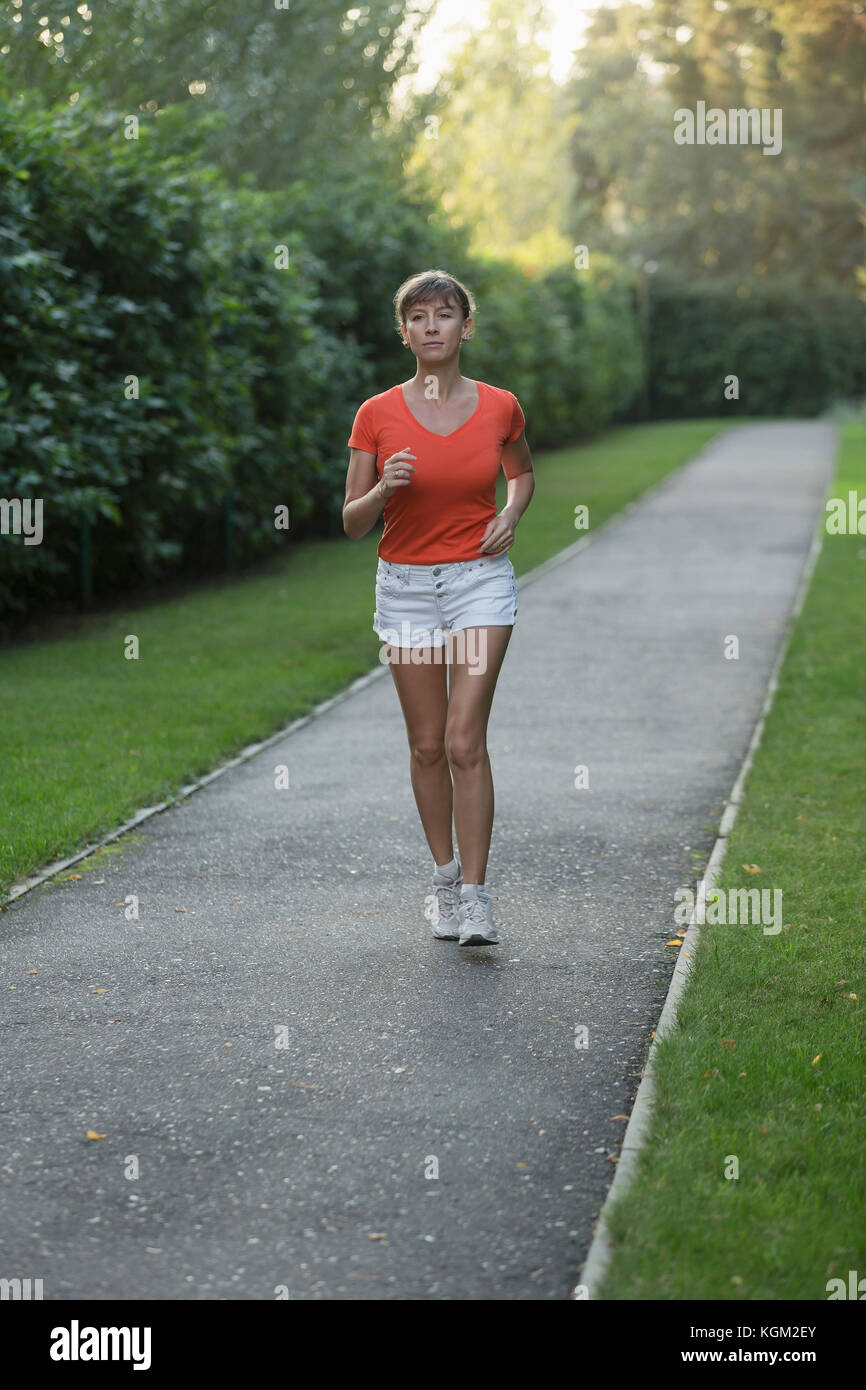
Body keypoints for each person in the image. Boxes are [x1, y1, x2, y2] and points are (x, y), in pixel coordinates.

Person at [343, 270, 535, 946]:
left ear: (465, 327)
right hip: (405, 588)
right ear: (404, 333)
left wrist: (510, 513)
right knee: (426, 746)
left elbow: (523, 473)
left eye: (445, 315)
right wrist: (383, 490)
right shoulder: (377, 414)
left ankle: (479, 898)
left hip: (479, 582)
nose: (432, 326)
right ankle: (445, 882)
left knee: (462, 740)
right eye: (418, 317)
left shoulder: (499, 406)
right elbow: (351, 522)